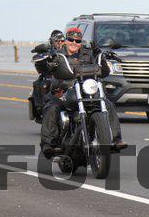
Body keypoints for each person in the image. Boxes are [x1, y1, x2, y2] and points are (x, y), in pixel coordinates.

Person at [40, 27, 127, 158]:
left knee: (108, 104)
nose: (74, 43)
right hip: (64, 89)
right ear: (66, 40)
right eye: (71, 40)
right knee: (52, 107)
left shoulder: (88, 53)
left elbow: (104, 72)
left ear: (81, 42)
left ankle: (116, 139)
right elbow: (47, 69)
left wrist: (100, 56)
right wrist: (48, 61)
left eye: (77, 41)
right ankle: (48, 144)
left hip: (86, 90)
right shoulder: (58, 54)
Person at [30, 30, 66, 122]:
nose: (60, 43)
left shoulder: (68, 50)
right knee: (41, 84)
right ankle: (42, 109)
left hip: (66, 75)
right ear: (52, 41)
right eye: (57, 41)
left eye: (62, 41)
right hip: (51, 75)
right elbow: (38, 53)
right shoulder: (49, 50)